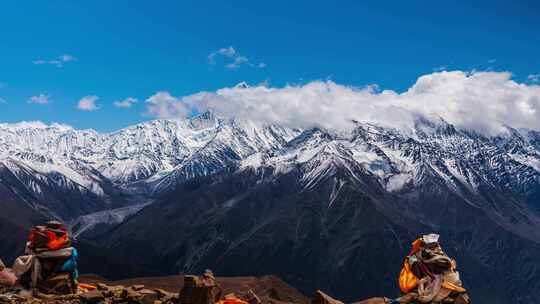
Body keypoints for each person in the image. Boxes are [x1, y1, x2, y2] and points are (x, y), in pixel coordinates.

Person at [396, 234, 470, 304]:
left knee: (416, 295)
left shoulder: (418, 258)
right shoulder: (438, 258)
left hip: (437, 283)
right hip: (441, 282)